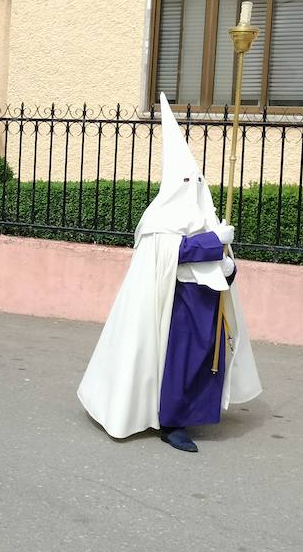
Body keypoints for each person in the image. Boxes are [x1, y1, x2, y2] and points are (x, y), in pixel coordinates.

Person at [78, 95, 262, 452]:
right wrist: (212, 242)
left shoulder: (206, 216)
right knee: (180, 359)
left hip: (209, 298)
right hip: (177, 302)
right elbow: (167, 253)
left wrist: (228, 266)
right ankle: (172, 422)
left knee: (208, 358)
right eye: (185, 179)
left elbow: (216, 255)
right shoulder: (159, 219)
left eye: (197, 179)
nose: (192, 185)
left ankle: (193, 413)